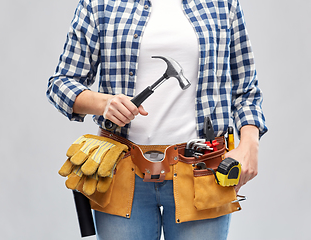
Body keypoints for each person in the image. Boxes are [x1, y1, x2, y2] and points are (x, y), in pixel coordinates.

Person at [47, 0, 267, 239]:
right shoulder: (99, 4)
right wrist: (104, 103)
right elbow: (60, 83)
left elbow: (246, 88)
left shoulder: (222, 3)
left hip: (201, 170)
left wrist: (250, 143)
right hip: (122, 171)